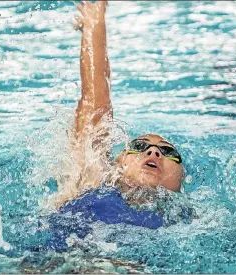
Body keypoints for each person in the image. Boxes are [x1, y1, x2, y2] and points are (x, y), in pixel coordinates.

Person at [41, 1, 194, 252]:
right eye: (139, 146)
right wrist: (95, 23)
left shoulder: (191, 221)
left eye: (168, 152)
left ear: (181, 179)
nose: (153, 152)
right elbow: (95, 102)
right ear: (118, 162)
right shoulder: (96, 179)